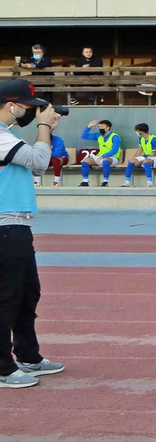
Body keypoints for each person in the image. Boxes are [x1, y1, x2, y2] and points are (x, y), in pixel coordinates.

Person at [0, 80, 67, 388]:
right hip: (4, 225)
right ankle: (3, 367)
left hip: (16, 224)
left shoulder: (9, 136)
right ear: (10, 105)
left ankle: (28, 355)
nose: (31, 112)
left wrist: (44, 128)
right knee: (7, 297)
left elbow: (37, 165)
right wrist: (43, 126)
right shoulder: (1, 137)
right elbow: (40, 161)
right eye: (28, 107)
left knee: (28, 293)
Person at [78, 119, 122, 187]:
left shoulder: (115, 137)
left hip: (112, 157)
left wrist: (103, 156)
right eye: (99, 127)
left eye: (102, 127)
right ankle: (85, 181)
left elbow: (114, 150)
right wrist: (89, 126)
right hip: (100, 156)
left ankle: (105, 181)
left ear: (108, 128)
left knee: (105, 161)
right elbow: (84, 136)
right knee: (85, 161)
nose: (100, 128)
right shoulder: (98, 136)